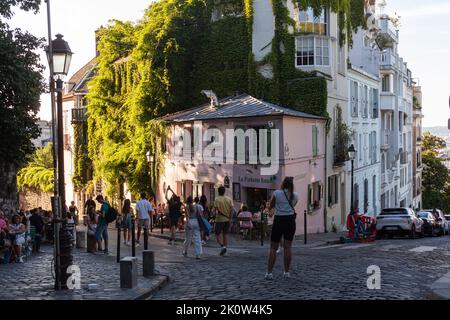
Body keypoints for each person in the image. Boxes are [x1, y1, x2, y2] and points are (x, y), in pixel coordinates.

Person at [265, 177, 298, 280]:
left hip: (279, 220)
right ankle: (286, 272)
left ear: (283, 183)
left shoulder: (277, 193)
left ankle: (269, 273)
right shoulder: (295, 195)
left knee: (273, 248)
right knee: (288, 247)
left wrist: (270, 206)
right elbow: (293, 205)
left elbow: (271, 206)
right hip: (290, 220)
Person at [213, 186, 233, 256]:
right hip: (227, 219)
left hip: (219, 219)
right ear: (224, 191)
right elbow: (232, 210)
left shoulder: (217, 199)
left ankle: (222, 246)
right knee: (225, 234)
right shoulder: (229, 199)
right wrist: (230, 218)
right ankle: (225, 249)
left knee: (217, 233)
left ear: (218, 191)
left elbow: (216, 209)